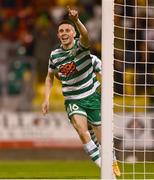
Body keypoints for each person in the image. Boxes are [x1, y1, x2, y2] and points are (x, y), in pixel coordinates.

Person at [42, 7, 120, 177]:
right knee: (82, 132)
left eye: (67, 30)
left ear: (73, 33)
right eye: (61, 30)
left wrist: (76, 20)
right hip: (73, 100)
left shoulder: (82, 48)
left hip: (92, 97)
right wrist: (46, 98)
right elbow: (50, 77)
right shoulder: (55, 56)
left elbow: (86, 36)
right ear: (58, 35)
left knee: (102, 139)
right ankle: (105, 169)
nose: (64, 33)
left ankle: (111, 160)